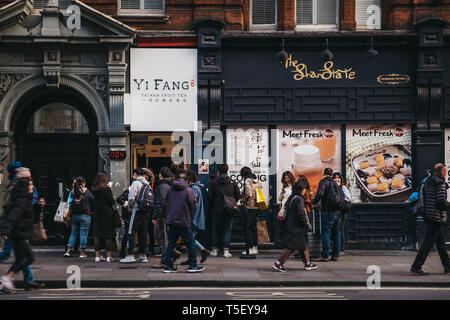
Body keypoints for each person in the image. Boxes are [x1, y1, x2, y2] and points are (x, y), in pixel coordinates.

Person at [411, 163, 450, 275]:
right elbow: (440, 202)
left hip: (428, 214)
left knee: (441, 243)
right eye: (444, 171)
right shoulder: (440, 183)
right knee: (428, 242)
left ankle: (447, 267)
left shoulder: (427, 181)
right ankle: (416, 266)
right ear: (441, 172)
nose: (445, 173)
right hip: (436, 216)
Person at [0, 177, 37, 292]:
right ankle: (6, 278)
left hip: (18, 233)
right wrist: (5, 230)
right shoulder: (22, 201)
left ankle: (4, 284)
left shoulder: (24, 199)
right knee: (30, 258)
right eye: (31, 185)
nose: (32, 187)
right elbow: (12, 216)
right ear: (26, 187)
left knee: (20, 259)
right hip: (19, 234)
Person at [273, 180, 318, 272]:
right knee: (291, 247)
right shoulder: (299, 199)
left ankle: (307, 263)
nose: (305, 191)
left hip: (290, 224)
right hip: (296, 226)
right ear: (302, 190)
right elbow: (301, 213)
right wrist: (306, 224)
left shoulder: (291, 197)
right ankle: (278, 263)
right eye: (304, 189)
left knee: (303, 245)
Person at [163, 170, 204, 273]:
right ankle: (193, 265)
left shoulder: (171, 189)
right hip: (183, 220)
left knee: (171, 243)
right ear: (187, 180)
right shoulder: (188, 190)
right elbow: (193, 204)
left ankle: (168, 266)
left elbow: (166, 202)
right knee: (191, 243)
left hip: (172, 220)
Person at [208, 164, 241, 258]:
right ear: (227, 171)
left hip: (216, 210)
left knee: (215, 229)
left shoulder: (214, 183)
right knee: (227, 229)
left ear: (218, 172)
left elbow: (209, 196)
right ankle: (226, 250)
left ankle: (214, 250)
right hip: (229, 210)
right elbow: (238, 195)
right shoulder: (232, 182)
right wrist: (230, 203)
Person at [152, 167, 180, 269]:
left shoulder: (163, 186)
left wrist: (155, 217)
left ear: (160, 175)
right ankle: (172, 252)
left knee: (162, 238)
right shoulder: (173, 184)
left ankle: (164, 260)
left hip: (163, 216)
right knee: (164, 237)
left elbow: (161, 203)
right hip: (172, 214)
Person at [121, 168, 151, 263]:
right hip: (145, 212)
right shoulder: (147, 184)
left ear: (135, 174)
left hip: (136, 211)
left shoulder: (135, 183)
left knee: (131, 233)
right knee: (143, 234)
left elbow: (131, 198)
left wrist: (130, 208)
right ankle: (143, 255)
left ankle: (130, 255)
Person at [180, 170, 210, 265]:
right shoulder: (196, 188)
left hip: (193, 217)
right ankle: (192, 257)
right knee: (190, 238)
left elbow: (192, 203)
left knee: (189, 238)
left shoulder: (194, 188)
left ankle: (203, 250)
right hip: (195, 217)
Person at [312, 168, 341, 262]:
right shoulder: (335, 183)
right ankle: (335, 255)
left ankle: (325, 255)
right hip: (337, 211)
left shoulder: (324, 182)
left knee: (326, 233)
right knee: (337, 233)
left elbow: (320, 193)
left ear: (323, 174)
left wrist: (314, 202)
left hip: (328, 211)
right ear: (332, 175)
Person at [64, 177, 94, 259]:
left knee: (73, 234)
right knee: (83, 234)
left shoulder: (73, 192)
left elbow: (69, 202)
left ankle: (68, 251)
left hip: (74, 216)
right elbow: (93, 200)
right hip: (85, 216)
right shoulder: (87, 192)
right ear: (83, 183)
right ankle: (82, 252)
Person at [91, 173, 116, 262]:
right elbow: (111, 201)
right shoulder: (107, 190)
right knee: (108, 235)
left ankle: (97, 256)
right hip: (107, 214)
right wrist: (110, 189)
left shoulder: (94, 190)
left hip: (98, 214)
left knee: (97, 235)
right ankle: (108, 256)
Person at [240, 166, 262, 255]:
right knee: (253, 227)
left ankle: (250, 248)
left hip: (249, 207)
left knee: (247, 228)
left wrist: (243, 200)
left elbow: (249, 194)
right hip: (256, 207)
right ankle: (255, 247)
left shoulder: (247, 180)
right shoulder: (256, 180)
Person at [332, 172, 351, 254]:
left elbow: (348, 198)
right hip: (334, 211)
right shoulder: (333, 187)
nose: (336, 179)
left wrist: (340, 203)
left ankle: (341, 249)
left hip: (342, 211)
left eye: (338, 178)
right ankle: (336, 248)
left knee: (339, 229)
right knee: (336, 230)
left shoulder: (343, 187)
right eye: (334, 178)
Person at [142, 168, 156, 256]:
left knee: (150, 231)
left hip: (151, 210)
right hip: (146, 210)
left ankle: (151, 248)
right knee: (145, 231)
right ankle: (145, 248)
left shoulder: (153, 184)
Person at [116, 187, 130, 259]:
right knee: (127, 233)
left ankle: (124, 251)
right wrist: (127, 204)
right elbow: (118, 199)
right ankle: (123, 251)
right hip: (128, 216)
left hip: (129, 215)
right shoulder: (128, 191)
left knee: (128, 233)